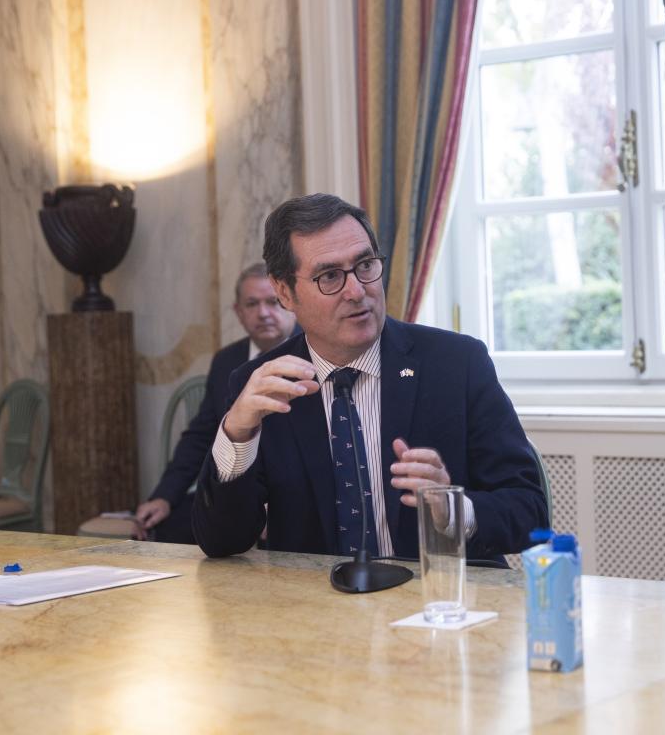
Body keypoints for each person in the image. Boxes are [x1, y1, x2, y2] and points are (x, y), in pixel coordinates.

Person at [192, 193, 547, 561]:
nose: (357, 291)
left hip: (437, 603)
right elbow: (222, 543)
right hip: (316, 609)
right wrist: (237, 434)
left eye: (365, 265)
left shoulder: (456, 364)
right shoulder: (263, 385)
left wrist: (453, 508)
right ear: (285, 292)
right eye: (329, 276)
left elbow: (529, 511)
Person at [133, 263, 299, 543]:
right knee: (161, 529)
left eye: (273, 302)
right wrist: (164, 496)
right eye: (251, 304)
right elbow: (200, 436)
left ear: (290, 301)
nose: (263, 313)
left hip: (294, 497)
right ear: (238, 312)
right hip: (236, 491)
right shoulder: (227, 361)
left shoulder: (314, 354)